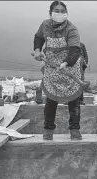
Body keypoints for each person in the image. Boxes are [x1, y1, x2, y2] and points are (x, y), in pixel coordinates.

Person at [32, 1, 85, 141]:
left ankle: (74, 130)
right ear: (50, 13)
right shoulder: (45, 25)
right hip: (52, 67)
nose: (60, 13)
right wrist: (37, 50)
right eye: (57, 10)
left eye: (63, 11)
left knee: (74, 100)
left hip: (70, 67)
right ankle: (48, 131)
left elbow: (75, 50)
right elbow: (38, 37)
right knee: (51, 100)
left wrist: (66, 63)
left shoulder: (71, 29)